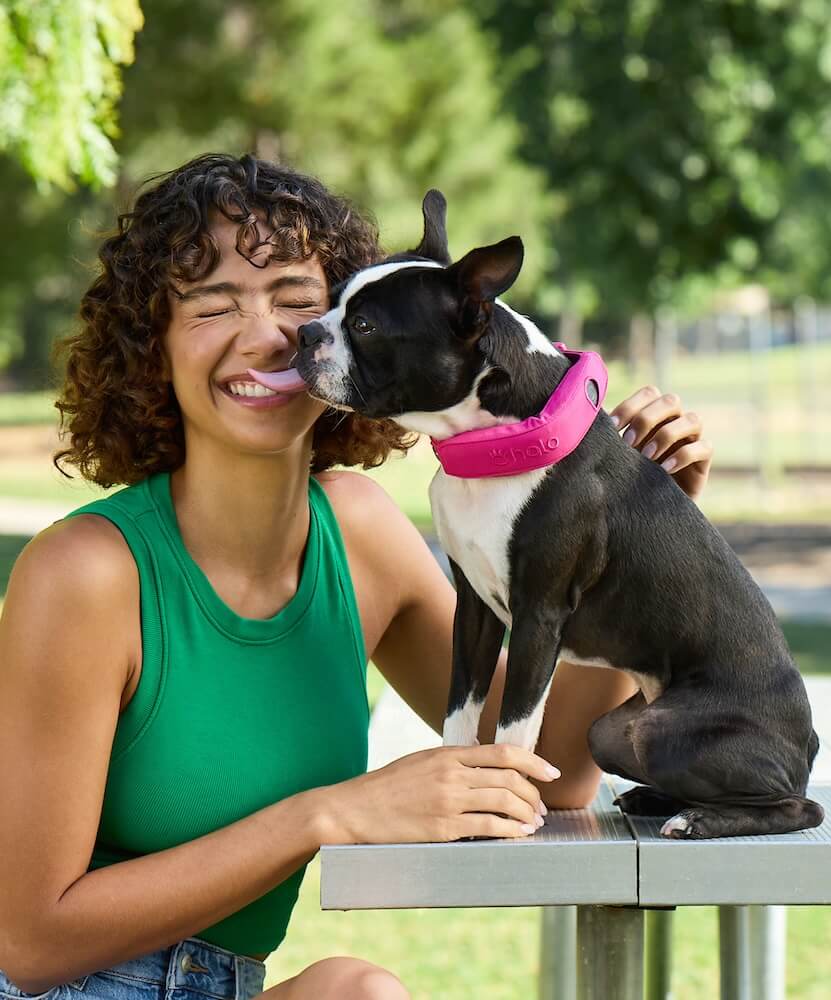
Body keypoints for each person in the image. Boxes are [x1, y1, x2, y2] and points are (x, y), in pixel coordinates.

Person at [0, 154, 714, 1000]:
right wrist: (327, 814)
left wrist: (624, 540)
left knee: (359, 992)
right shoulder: (86, 574)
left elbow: (552, 771)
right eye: (213, 303)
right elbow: (32, 941)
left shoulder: (361, 533)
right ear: (149, 344)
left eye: (298, 300)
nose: (266, 336)